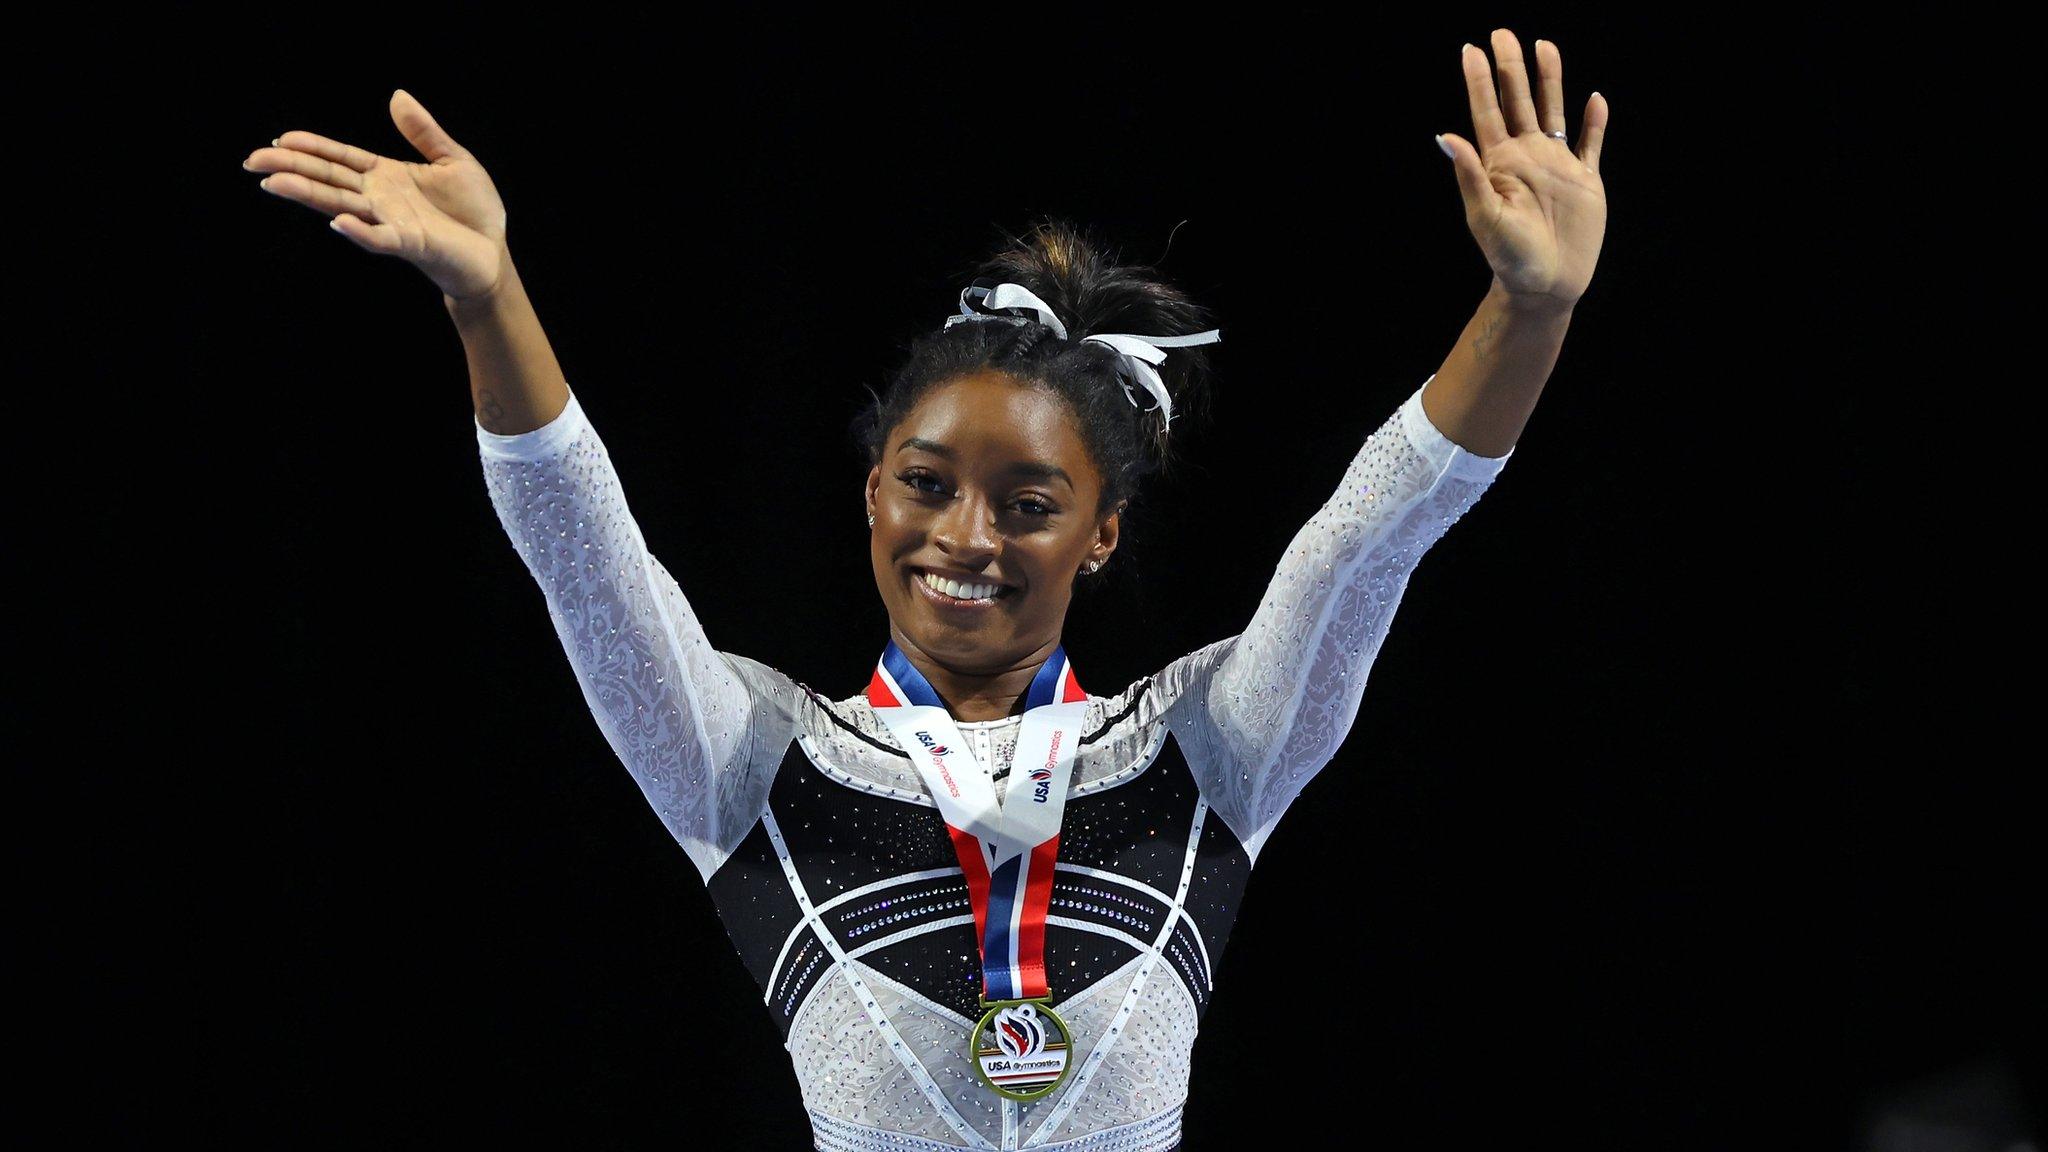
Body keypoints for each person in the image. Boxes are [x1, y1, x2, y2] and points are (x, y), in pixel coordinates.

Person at [242, 26, 1607, 1151]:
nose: (968, 536)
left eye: (1030, 506)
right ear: (871, 493)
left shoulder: (1207, 751)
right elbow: (582, 552)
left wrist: (1530, 309)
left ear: (1103, 538)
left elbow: (1366, 538)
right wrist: (489, 299)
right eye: (928, 483)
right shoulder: (752, 761)